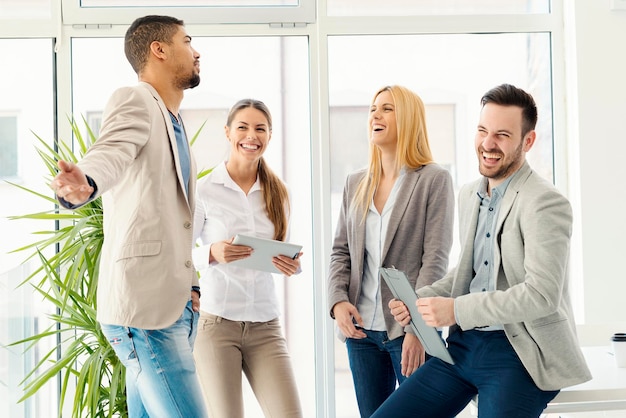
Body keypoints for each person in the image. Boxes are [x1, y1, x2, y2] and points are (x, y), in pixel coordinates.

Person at [374, 84, 593, 418]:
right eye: (482, 131)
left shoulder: (545, 203)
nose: (488, 144)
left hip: (520, 354)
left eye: (502, 135)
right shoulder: (469, 194)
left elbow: (541, 295)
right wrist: (419, 300)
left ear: (528, 141)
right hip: (463, 348)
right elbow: (468, 272)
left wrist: (456, 310)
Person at [50, 15, 208, 418]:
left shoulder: (174, 121)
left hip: (174, 308)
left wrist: (191, 288)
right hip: (145, 311)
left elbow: (178, 220)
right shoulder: (136, 99)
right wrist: (86, 180)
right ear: (159, 49)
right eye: (187, 41)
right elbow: (111, 150)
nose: (196, 51)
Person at [327, 85, 455, 417]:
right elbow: (341, 251)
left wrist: (418, 329)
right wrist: (338, 301)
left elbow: (435, 259)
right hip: (360, 331)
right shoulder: (355, 182)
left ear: (409, 119)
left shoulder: (433, 179)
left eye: (387, 108)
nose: (375, 115)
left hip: (406, 331)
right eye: (373, 109)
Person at [191, 98, 303, 418]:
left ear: (269, 136)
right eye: (242, 127)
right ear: (228, 133)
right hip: (217, 326)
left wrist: (292, 265)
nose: (251, 135)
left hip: (265, 326)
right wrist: (212, 253)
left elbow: (282, 251)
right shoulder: (204, 190)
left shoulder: (279, 193)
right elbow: (182, 255)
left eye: (260, 129)